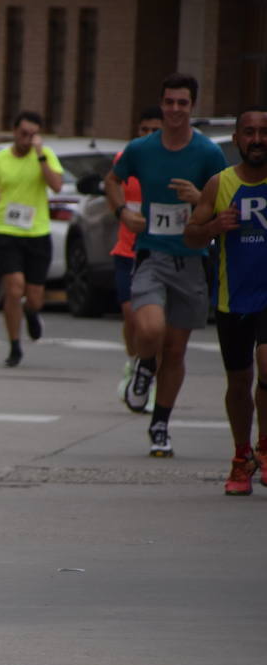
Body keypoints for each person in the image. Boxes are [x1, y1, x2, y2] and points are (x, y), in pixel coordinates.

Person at [104, 73, 227, 457]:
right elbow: (111, 181)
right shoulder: (141, 149)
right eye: (169, 102)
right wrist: (123, 212)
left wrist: (198, 198)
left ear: (192, 107)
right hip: (151, 255)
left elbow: (223, 203)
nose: (175, 110)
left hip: (192, 259)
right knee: (150, 327)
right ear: (161, 104)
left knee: (175, 352)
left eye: (183, 103)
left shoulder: (208, 153)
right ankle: (143, 364)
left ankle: (160, 424)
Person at [184, 107, 267, 495]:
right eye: (248, 132)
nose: (256, 140)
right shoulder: (221, 184)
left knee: (266, 364)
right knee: (239, 381)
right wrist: (215, 227)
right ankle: (241, 456)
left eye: (263, 132)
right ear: (236, 140)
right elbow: (191, 235)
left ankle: (265, 448)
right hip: (233, 296)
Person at [0, 111, 64, 367]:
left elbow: (57, 186)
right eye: (23, 134)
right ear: (14, 131)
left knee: (34, 296)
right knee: (13, 288)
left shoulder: (46, 156)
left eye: (32, 135)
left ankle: (32, 312)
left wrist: (41, 154)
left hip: (37, 233)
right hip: (6, 231)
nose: (27, 139)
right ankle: (14, 345)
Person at [111, 107, 165, 402]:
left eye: (154, 130)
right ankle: (134, 365)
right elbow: (111, 187)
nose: (147, 136)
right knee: (131, 315)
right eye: (143, 130)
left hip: (158, 251)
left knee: (154, 323)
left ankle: (149, 374)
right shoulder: (127, 158)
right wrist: (121, 212)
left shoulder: (172, 162)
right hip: (126, 250)